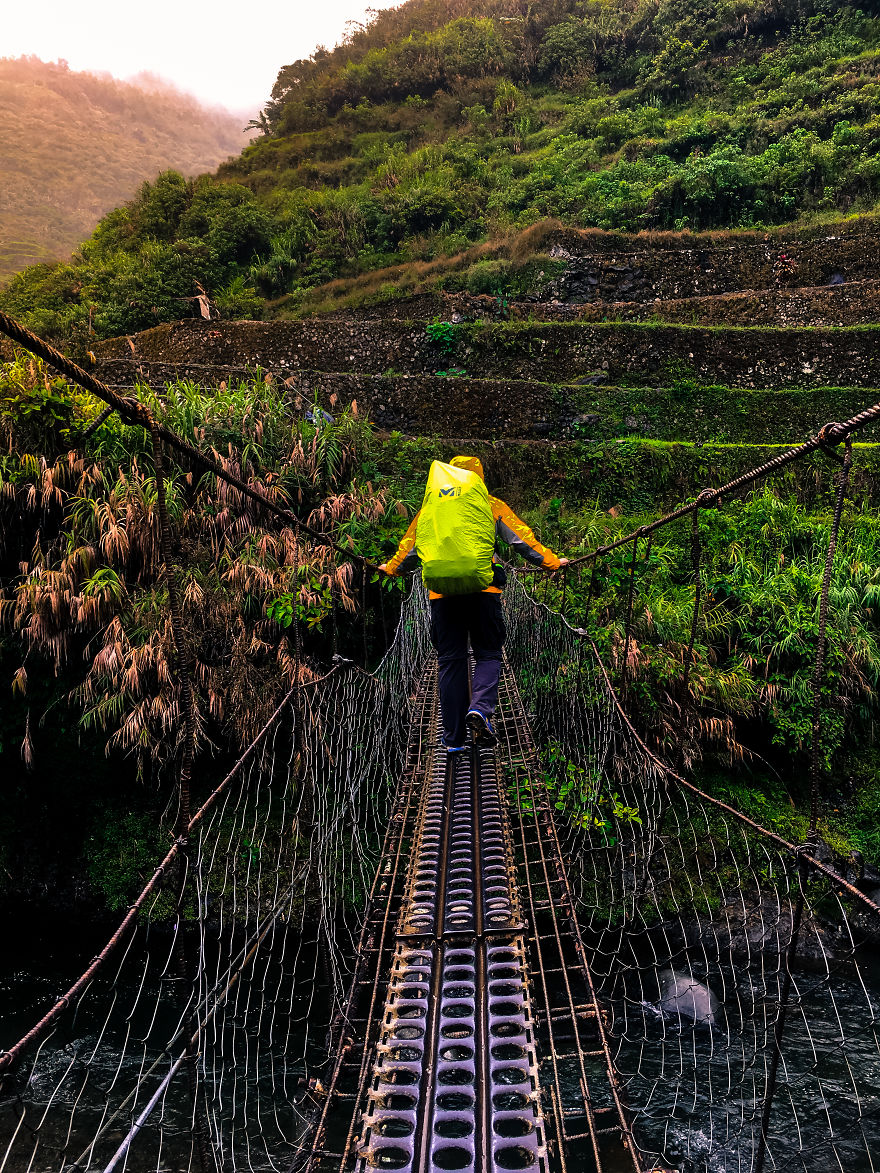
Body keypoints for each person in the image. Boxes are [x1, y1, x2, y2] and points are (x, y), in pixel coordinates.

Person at [379, 456, 567, 751]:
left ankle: (453, 740)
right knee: (489, 653)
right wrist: (552, 563)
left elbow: (410, 550)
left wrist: (390, 568)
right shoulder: (489, 504)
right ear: (478, 478)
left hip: (443, 595)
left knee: (450, 662)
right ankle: (480, 708)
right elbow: (522, 542)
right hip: (485, 591)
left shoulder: (432, 507)